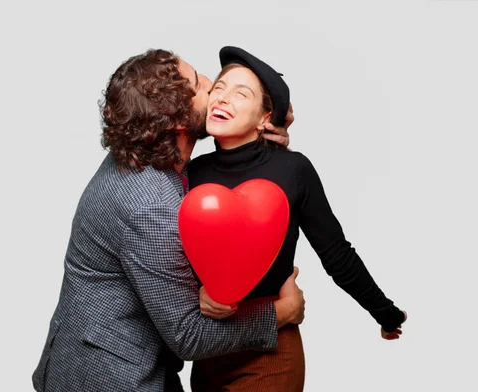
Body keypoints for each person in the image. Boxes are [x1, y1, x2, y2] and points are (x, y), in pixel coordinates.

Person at [32, 49, 304, 392]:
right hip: (112, 379)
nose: (211, 83)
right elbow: (189, 336)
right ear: (178, 121)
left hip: (81, 358)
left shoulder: (139, 150)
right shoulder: (150, 205)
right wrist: (283, 311)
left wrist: (259, 141)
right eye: (199, 83)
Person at [187, 46, 408, 392]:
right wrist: (196, 293)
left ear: (265, 118)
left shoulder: (293, 169)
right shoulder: (191, 173)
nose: (222, 99)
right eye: (218, 88)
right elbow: (169, 255)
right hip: (210, 348)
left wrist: (385, 312)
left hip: (272, 349)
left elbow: (336, 254)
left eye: (240, 93)